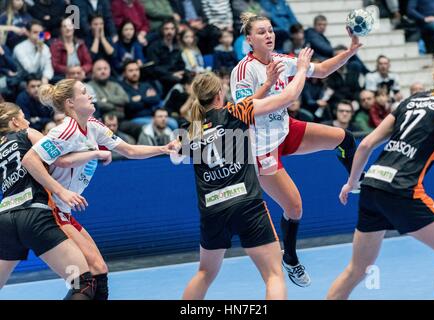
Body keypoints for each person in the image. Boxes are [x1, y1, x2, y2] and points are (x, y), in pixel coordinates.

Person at [230, 12, 362, 287]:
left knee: (344, 138)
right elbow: (244, 113)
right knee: (295, 208)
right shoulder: (243, 70)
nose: (268, 35)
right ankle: (289, 257)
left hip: (285, 130)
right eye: (261, 32)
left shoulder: (281, 60)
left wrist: (350, 51)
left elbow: (323, 69)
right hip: (261, 147)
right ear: (249, 40)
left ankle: (356, 184)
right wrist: (268, 84)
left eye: (270, 30)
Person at [172, 47, 314, 300]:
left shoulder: (187, 130)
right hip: (246, 203)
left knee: (204, 273)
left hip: (212, 210)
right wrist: (301, 69)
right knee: (273, 275)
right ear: (220, 94)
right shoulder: (234, 113)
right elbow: (287, 97)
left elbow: (175, 155)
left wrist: (267, 82)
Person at [22, 78, 174, 300]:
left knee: (99, 270)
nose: (90, 95)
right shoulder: (65, 131)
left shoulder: (93, 126)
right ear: (71, 103)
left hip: (63, 211)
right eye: (84, 92)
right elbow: (30, 160)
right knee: (87, 276)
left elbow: (129, 150)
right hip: (49, 209)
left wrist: (163, 148)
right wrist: (61, 191)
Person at [328, 50, 434, 300]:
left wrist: (352, 182)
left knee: (357, 270)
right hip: (403, 190)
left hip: (372, 185)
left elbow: (365, 144)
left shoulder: (410, 100)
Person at [0, 102, 95, 300]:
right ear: (15, 122)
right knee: (83, 283)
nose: (27, 120)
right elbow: (62, 158)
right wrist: (95, 152)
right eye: (24, 116)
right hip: (34, 216)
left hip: (5, 221)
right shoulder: (26, 133)